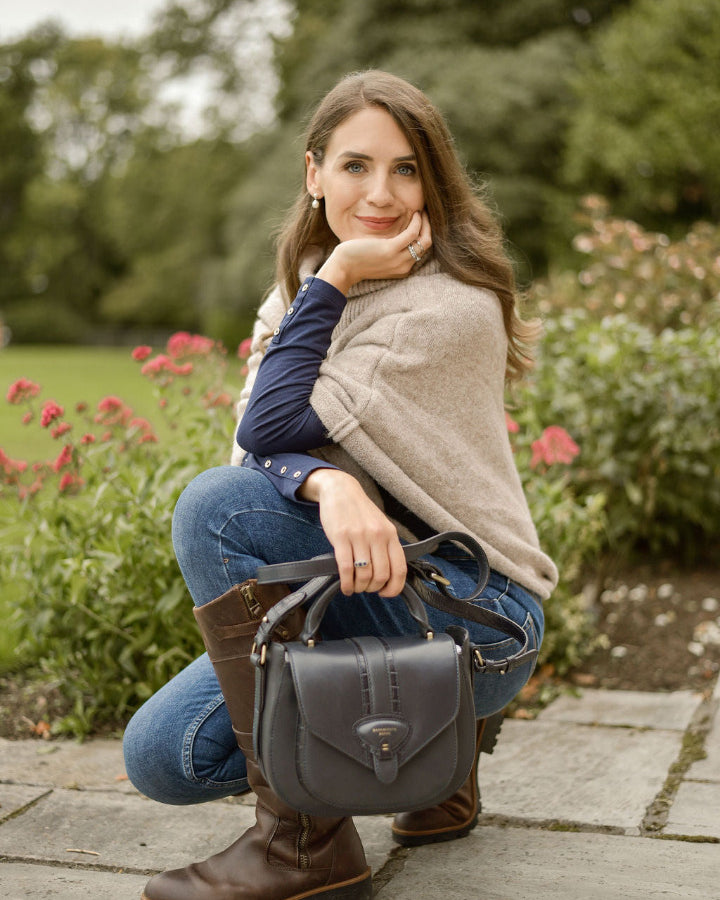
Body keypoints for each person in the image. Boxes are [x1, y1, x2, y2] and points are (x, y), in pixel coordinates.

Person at [123, 69, 558, 900]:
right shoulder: (300, 295)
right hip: (356, 583)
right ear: (313, 172)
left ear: (433, 180)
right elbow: (269, 448)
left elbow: (263, 432)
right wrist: (332, 484)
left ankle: (304, 849)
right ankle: (436, 764)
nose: (382, 193)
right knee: (165, 757)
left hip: (475, 616)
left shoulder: (448, 305)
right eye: (356, 166)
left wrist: (335, 279)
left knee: (213, 510)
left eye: (405, 169)